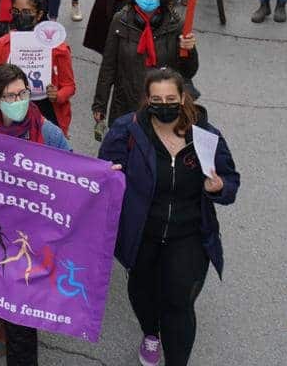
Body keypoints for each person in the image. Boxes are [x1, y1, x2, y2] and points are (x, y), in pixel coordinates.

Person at [98, 68, 239, 366]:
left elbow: (230, 181)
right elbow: (102, 173)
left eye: (171, 98)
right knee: (141, 293)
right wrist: (109, 178)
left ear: (183, 98)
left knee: (179, 303)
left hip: (188, 236)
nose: (164, 105)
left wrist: (219, 187)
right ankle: (151, 333)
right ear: (147, 100)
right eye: (157, 99)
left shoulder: (205, 135)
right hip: (142, 234)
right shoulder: (128, 130)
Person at [0, 64, 71, 363]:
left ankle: (14, 326)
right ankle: (2, 321)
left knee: (21, 314)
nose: (19, 100)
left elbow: (74, 178)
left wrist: (104, 177)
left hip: (30, 237)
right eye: (10, 96)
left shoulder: (49, 134)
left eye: (23, 93)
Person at [94, 0, 197, 126]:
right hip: (125, 106)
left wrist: (189, 50)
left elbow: (189, 71)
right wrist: (100, 104)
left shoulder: (175, 25)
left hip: (163, 110)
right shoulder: (120, 21)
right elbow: (108, 66)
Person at [0, 0, 76, 133]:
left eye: (26, 12)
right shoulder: (2, 45)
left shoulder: (58, 48)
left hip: (47, 112)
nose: (20, 16)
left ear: (39, 15)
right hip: (11, 111)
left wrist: (57, 95)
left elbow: (69, 86)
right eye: (16, 11)